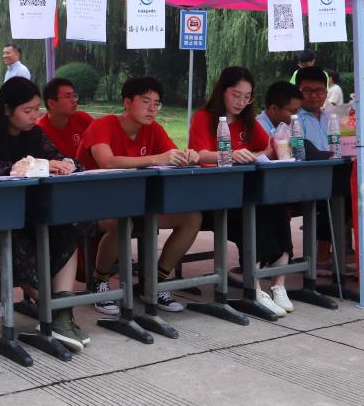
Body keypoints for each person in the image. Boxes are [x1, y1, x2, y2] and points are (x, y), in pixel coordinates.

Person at [0, 77, 88, 352]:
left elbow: (65, 159)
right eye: (27, 110)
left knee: (69, 226)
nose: (34, 116)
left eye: (36, 109)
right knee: (20, 237)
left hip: (27, 214)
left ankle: (62, 312)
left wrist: (65, 164)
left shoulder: (35, 134)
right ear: (7, 109)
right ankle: (54, 313)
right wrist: (42, 164)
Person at [77, 76, 201, 316]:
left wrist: (188, 157)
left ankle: (155, 283)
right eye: (145, 101)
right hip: (93, 205)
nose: (152, 108)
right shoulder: (102, 125)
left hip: (138, 202)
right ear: (127, 102)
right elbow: (107, 162)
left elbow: (172, 155)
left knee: (192, 218)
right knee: (122, 221)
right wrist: (156, 158)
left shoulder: (154, 129)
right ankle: (99, 281)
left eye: (157, 103)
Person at [189, 67, 294, 316]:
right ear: (222, 91)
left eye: (247, 97)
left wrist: (256, 155)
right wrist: (230, 155)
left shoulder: (248, 120)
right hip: (215, 197)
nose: (241, 102)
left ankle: (278, 285)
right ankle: (253, 287)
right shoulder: (203, 117)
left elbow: (270, 147)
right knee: (253, 215)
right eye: (236, 95)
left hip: (247, 192)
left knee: (277, 209)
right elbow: (199, 155)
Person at [35, 77, 94, 158]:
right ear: (51, 103)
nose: (74, 100)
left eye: (74, 96)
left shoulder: (82, 118)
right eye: (68, 96)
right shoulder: (39, 131)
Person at [294, 66, 331, 151]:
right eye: (307, 91)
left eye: (319, 90)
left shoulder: (330, 118)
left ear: (326, 93)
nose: (313, 96)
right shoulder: (293, 120)